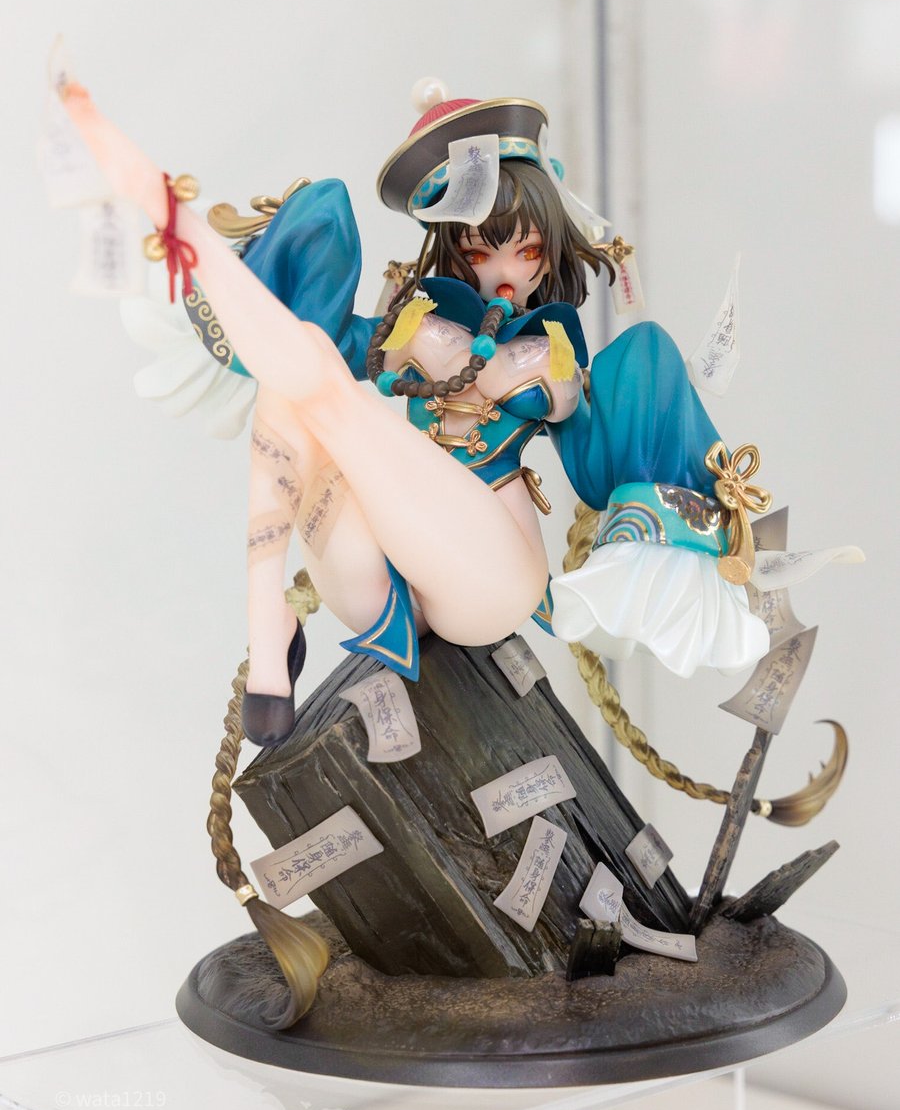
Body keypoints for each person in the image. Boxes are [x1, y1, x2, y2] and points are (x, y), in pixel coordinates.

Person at [60, 82, 769, 745]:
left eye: (526, 250)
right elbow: (309, 354)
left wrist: (470, 355)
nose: (505, 271)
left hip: (490, 578)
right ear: (454, 248)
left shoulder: (548, 352)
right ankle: (267, 615)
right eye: (481, 248)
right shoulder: (419, 322)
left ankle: (172, 220)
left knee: (318, 377)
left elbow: (571, 422)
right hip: (381, 583)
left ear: (548, 251)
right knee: (296, 368)